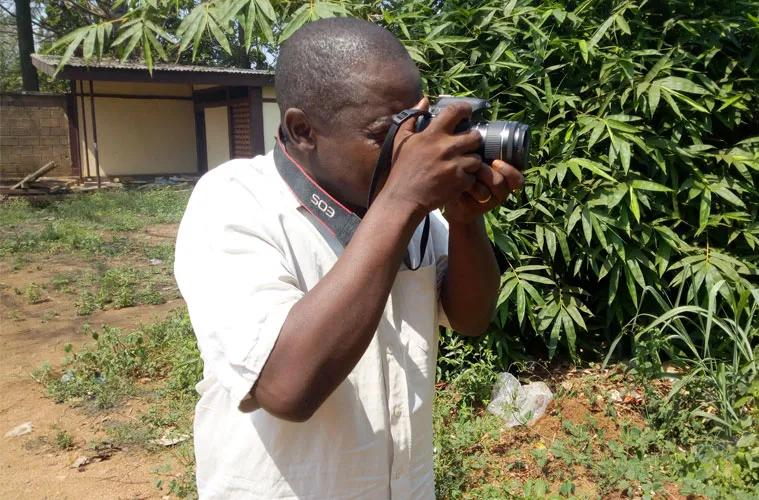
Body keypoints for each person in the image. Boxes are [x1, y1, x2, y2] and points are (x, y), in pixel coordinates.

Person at [174, 17, 525, 499]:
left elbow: (471, 317)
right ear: (302, 131)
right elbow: (285, 389)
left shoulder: (401, 205)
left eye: (416, 125)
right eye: (386, 132)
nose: (411, 150)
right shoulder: (235, 201)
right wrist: (402, 200)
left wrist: (464, 221)